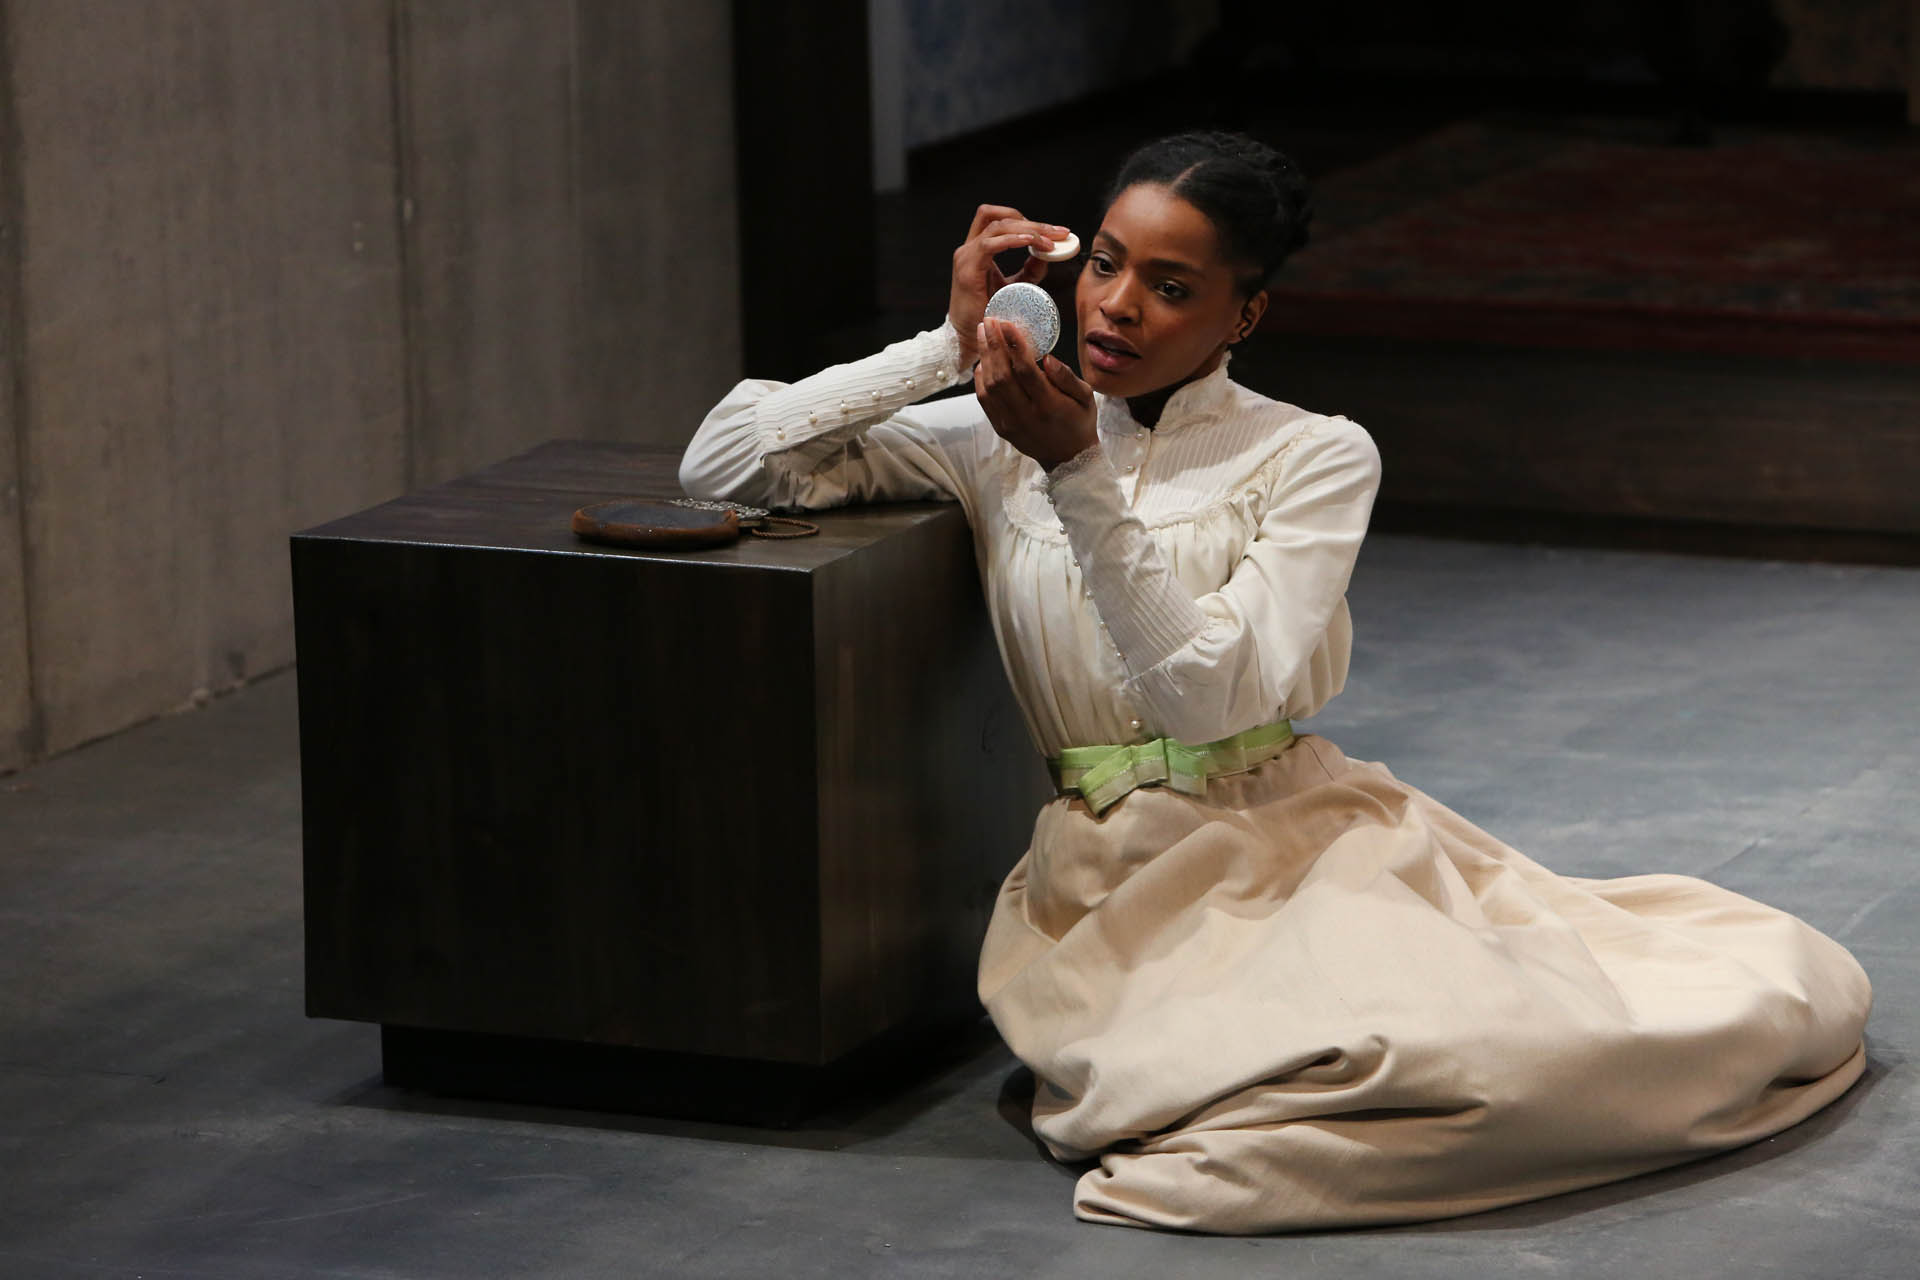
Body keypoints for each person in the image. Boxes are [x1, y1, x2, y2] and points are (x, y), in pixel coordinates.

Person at [679, 131, 1870, 1234]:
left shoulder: (1313, 451)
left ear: (1246, 312)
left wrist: (1078, 473)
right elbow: (720, 462)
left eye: (1171, 286)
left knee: (1498, 1060)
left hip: (1290, 838)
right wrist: (947, 344)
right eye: (1106, 263)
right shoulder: (998, 437)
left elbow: (1207, 699)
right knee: (1249, 1117)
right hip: (1107, 872)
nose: (1116, 305)